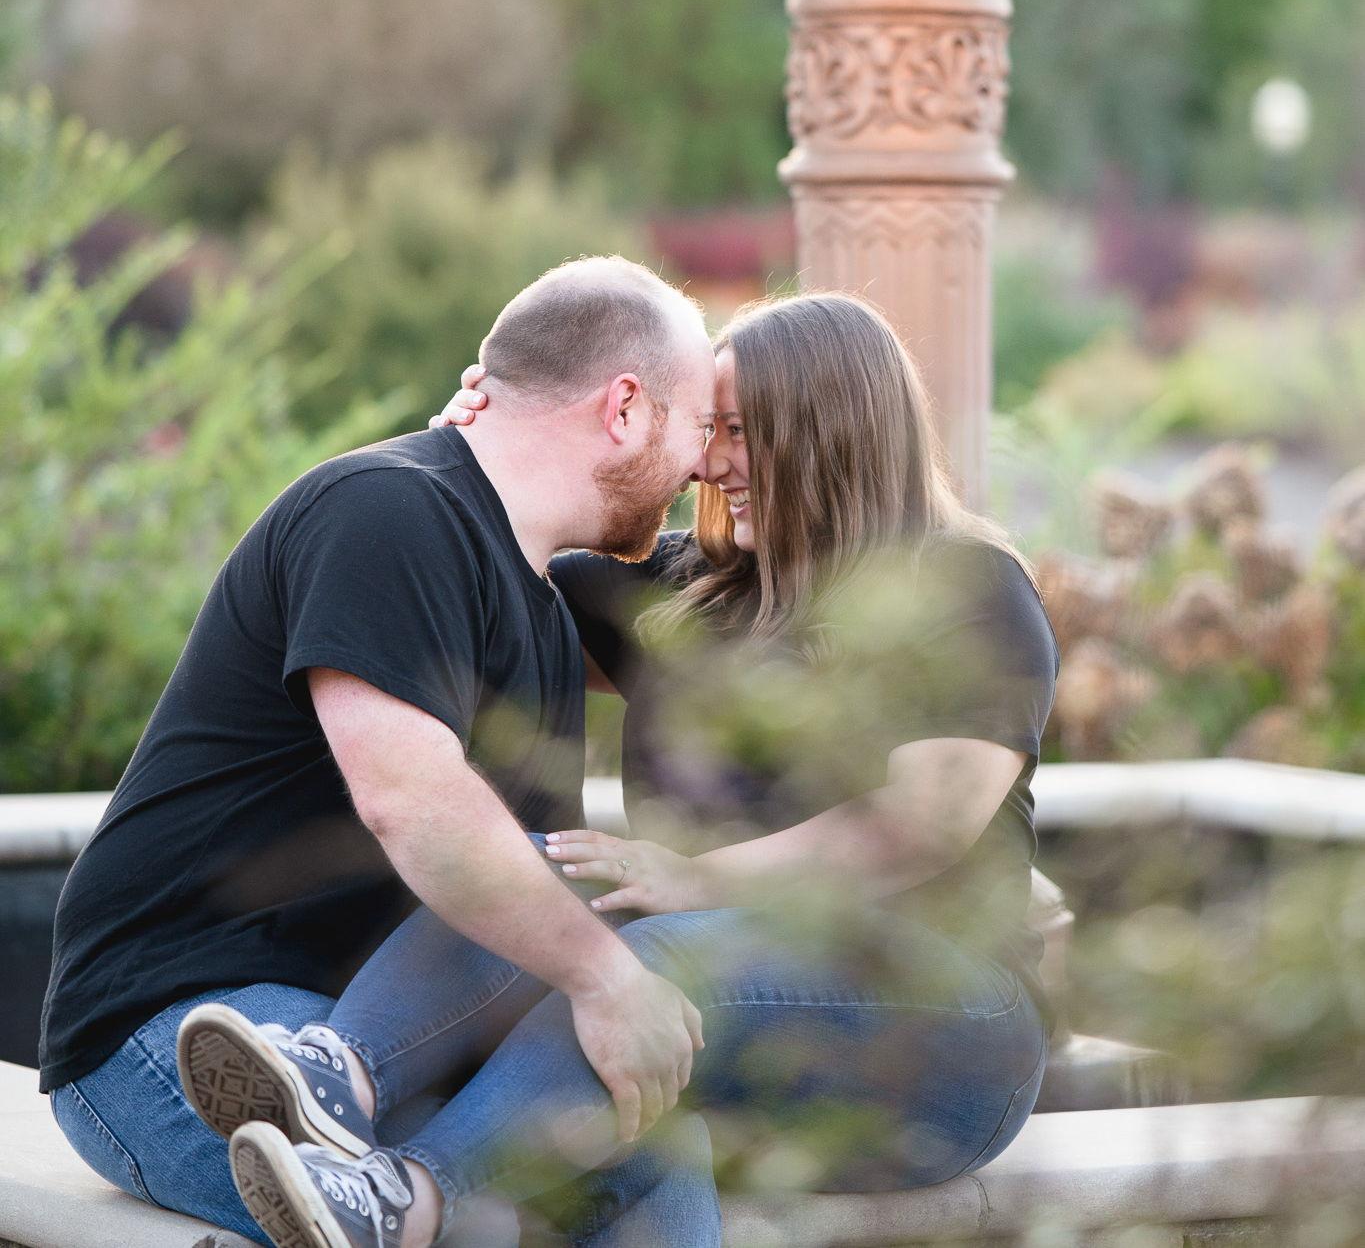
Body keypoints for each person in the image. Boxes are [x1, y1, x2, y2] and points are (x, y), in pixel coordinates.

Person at [208, 289, 1055, 1248]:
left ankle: (412, 1204)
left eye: (737, 431)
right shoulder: (686, 593)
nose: (707, 460)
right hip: (727, 1021)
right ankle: (335, 1076)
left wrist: (694, 878)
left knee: (642, 957)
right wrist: (481, 439)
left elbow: (922, 821)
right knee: (547, 873)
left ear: (829, 429)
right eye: (706, 427)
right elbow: (483, 551)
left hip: (943, 1033)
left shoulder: (964, 586)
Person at [39, 255, 720, 1248]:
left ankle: (391, 1157)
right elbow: (415, 801)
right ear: (624, 409)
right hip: (184, 1033)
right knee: (524, 1191)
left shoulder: (543, 587)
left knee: (648, 1137)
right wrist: (608, 979)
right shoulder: (385, 510)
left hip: (365, 1031)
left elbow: (774, 596)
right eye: (702, 425)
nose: (705, 465)